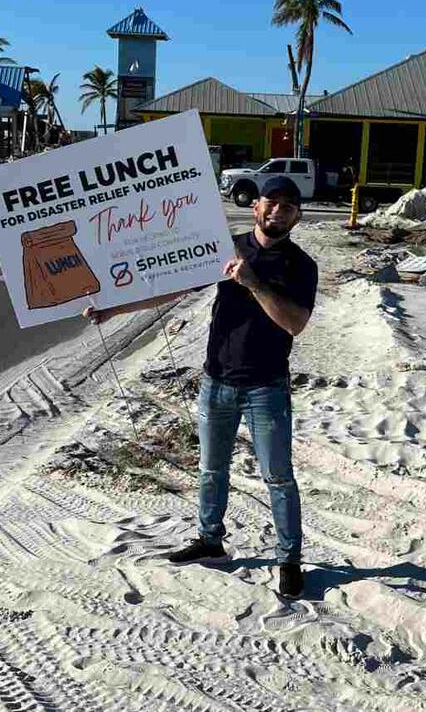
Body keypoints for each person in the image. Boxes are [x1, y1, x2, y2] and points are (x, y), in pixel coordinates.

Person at [85, 176, 317, 599]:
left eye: (287, 206)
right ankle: (210, 539)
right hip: (217, 380)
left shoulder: (301, 265)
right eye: (271, 202)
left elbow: (295, 323)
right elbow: (168, 288)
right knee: (211, 469)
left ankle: (289, 559)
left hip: (267, 387)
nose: (277, 211)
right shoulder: (224, 247)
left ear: (297, 215)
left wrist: (253, 283)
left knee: (278, 477)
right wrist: (111, 309)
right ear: (256, 207)